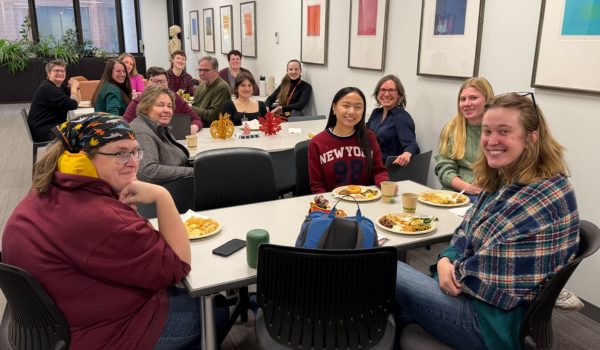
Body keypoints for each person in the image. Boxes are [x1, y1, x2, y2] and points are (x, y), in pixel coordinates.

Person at [1, 113, 206, 349]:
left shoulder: (44, 191)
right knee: (214, 309)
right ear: (84, 160)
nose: (133, 162)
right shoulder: (99, 216)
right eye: (120, 153)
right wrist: (163, 196)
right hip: (102, 336)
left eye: (135, 151)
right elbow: (177, 267)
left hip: (46, 331)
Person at [394, 92, 580, 350]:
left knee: (378, 266)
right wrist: (446, 258)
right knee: (382, 303)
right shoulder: (506, 179)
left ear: (531, 137)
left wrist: (449, 268)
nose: (492, 141)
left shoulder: (541, 194)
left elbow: (476, 280)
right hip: (478, 302)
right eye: (486, 131)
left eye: (504, 131)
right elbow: (465, 229)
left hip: (491, 324)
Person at [308, 87, 388, 194]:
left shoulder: (369, 137)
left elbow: (379, 171)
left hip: (365, 200)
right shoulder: (317, 143)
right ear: (334, 108)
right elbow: (317, 186)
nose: (352, 112)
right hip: (333, 204)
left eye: (358, 107)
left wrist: (385, 184)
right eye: (346, 106)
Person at [435, 77, 494, 197]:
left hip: (487, 194)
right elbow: (444, 169)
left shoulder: (498, 131)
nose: (467, 104)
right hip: (455, 193)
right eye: (463, 99)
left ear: (487, 100)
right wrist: (468, 188)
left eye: (473, 98)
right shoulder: (451, 129)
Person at [129, 86, 194, 184]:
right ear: (146, 108)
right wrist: (194, 172)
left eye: (169, 106)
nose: (166, 110)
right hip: (166, 193)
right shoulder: (141, 132)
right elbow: (148, 171)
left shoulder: (157, 126)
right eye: (160, 105)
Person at [123, 66, 202, 134]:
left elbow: (195, 119)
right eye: (155, 81)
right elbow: (125, 125)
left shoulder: (175, 98)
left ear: (167, 83)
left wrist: (192, 128)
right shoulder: (139, 101)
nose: (159, 85)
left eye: (163, 81)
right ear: (146, 83)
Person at [366, 74, 419, 165]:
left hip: (387, 169)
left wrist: (407, 153)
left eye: (391, 90)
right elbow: (364, 133)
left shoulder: (401, 117)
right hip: (370, 162)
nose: (386, 94)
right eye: (383, 90)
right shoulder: (376, 113)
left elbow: (412, 145)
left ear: (399, 94)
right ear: (377, 93)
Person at [27, 59, 79, 142]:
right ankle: (72, 153)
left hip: (51, 126)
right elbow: (73, 105)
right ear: (49, 74)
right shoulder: (48, 88)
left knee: (80, 126)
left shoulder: (59, 86)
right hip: (44, 131)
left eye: (62, 71)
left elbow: (75, 101)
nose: (60, 73)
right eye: (56, 71)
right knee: (81, 131)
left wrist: (76, 88)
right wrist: (74, 88)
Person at [192, 56, 231, 127]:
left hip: (211, 129)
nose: (201, 73)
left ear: (215, 71)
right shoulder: (202, 85)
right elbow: (194, 105)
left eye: (206, 70)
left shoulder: (222, 88)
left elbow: (212, 116)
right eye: (200, 70)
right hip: (196, 123)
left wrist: (190, 108)